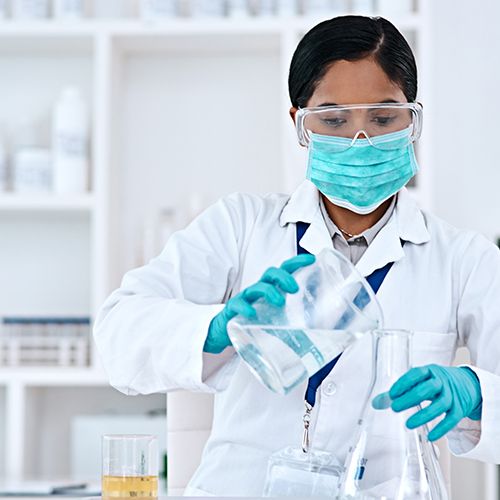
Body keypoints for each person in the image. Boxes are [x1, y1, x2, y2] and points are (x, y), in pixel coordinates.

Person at [94, 15, 500, 497]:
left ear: (413, 119)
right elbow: (118, 336)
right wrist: (217, 328)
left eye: (383, 117)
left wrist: (477, 396)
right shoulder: (239, 225)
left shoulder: (463, 258)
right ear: (299, 124)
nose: (360, 139)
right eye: (333, 119)